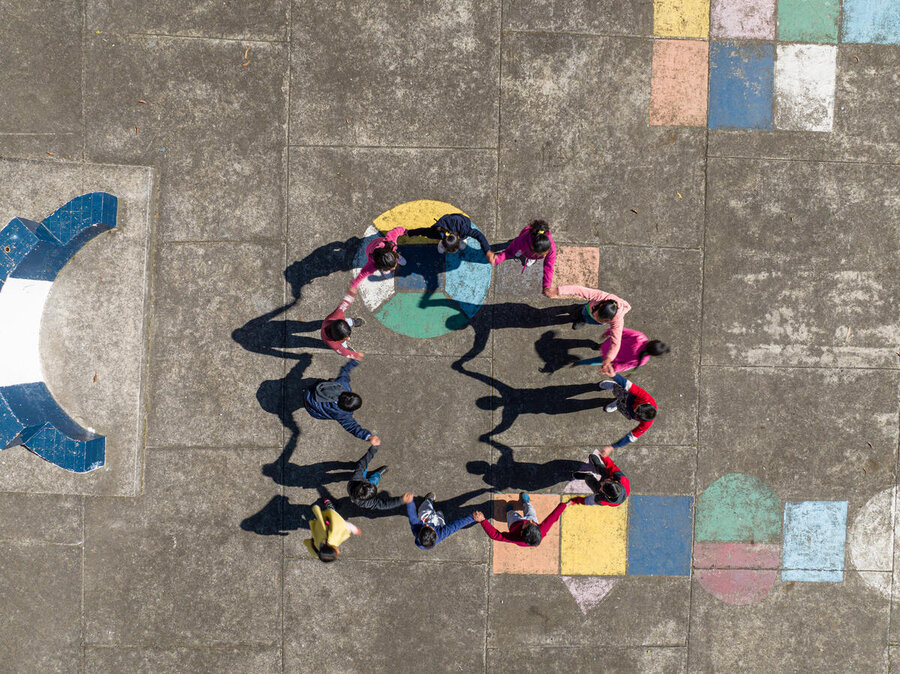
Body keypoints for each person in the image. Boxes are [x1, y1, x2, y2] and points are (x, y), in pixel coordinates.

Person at [545, 285, 631, 376]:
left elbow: (616, 342)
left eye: (602, 320)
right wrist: (557, 290)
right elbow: (578, 289)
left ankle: (583, 319)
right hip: (587, 309)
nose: (597, 318)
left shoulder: (617, 320)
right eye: (597, 315)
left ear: (610, 320)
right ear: (601, 305)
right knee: (581, 311)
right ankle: (580, 313)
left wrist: (609, 358)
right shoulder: (599, 296)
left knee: (587, 318)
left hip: (590, 311)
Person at [302, 360, 380, 445]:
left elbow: (344, 371)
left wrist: (355, 361)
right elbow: (352, 427)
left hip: (310, 392)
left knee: (324, 382)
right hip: (312, 408)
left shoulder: (342, 384)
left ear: (350, 393)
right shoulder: (343, 415)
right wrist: (368, 437)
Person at [472, 492, 571, 547]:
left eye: (528, 523)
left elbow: (495, 535)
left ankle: (509, 511)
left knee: (512, 514)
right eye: (534, 524)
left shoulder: (514, 537)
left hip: (514, 523)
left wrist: (483, 521)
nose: (531, 521)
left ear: (522, 531)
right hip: (522, 524)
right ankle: (525, 502)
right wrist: (564, 505)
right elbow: (552, 517)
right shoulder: (541, 531)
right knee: (530, 509)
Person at [596, 373, 657, 457]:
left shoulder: (646, 424)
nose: (634, 409)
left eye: (636, 412)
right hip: (628, 396)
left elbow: (631, 437)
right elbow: (628, 385)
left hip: (628, 410)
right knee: (619, 388)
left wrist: (612, 447)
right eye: (637, 408)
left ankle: (617, 403)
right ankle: (612, 385)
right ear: (645, 403)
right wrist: (614, 375)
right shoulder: (645, 397)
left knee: (623, 409)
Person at [491, 220, 557, 296]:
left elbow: (549, 266)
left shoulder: (551, 249)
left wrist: (547, 286)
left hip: (528, 249)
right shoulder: (521, 241)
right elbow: (508, 252)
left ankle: (527, 255)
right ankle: (521, 251)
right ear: (532, 248)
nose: (544, 257)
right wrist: (496, 259)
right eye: (541, 255)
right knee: (515, 248)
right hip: (524, 245)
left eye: (546, 253)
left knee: (520, 251)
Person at [405, 213, 496, 262]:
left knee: (463, 246)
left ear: (459, 237)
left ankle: (462, 241)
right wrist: (409, 233)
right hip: (449, 224)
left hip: (461, 221)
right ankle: (454, 243)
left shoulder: (465, 229)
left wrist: (487, 250)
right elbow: (423, 231)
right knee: (441, 250)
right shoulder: (437, 231)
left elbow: (478, 235)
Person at [347, 444, 411, 510]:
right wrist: (401, 500)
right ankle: (378, 474)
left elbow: (362, 463)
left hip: (357, 482)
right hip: (359, 482)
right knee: (375, 479)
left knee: (363, 468)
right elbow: (383, 505)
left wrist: (373, 449)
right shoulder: (366, 503)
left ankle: (373, 473)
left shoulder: (356, 477)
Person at [407, 492, 476, 550]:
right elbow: (455, 526)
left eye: (425, 526)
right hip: (438, 522)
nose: (427, 525)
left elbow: (412, 517)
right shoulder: (441, 534)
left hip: (425, 517)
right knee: (440, 517)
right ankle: (437, 510)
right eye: (429, 527)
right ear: (436, 536)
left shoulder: (416, 529)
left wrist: (410, 503)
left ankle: (429, 500)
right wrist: (472, 518)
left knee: (425, 509)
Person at [349, 226, 407, 290]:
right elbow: (362, 274)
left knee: (390, 258)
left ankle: (395, 259)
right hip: (371, 247)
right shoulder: (372, 265)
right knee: (388, 262)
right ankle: (386, 271)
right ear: (380, 267)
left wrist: (404, 230)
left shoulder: (391, 242)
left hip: (377, 244)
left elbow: (396, 231)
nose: (395, 268)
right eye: (392, 267)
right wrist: (354, 286)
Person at [321, 287, 366, 360]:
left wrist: (351, 294)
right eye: (345, 338)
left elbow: (344, 304)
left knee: (347, 321)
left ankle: (353, 322)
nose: (349, 338)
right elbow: (343, 352)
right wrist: (354, 355)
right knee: (344, 346)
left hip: (327, 324)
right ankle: (352, 323)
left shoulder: (337, 315)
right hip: (330, 328)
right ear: (336, 339)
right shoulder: (333, 344)